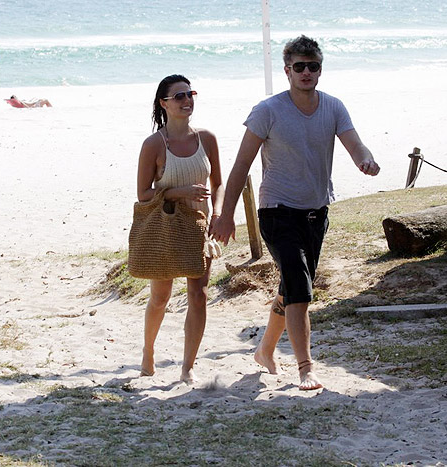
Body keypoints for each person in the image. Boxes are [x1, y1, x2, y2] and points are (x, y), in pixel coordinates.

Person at [212, 35, 380, 392]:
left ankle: (265, 350)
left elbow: (354, 142)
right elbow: (241, 164)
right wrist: (227, 215)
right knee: (302, 292)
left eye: (313, 66)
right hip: (276, 212)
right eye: (299, 67)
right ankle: (305, 367)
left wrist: (365, 159)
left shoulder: (333, 107)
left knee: (291, 288)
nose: (306, 72)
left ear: (320, 69)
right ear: (287, 70)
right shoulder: (268, 110)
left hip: (316, 214)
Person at [137, 74, 225, 384]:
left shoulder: (207, 138)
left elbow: (218, 184)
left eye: (190, 94)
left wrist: (219, 214)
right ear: (164, 103)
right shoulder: (153, 144)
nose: (187, 100)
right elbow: (143, 194)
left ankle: (188, 366)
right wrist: (179, 192)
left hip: (200, 228)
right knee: (160, 297)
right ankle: (148, 352)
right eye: (179, 96)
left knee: (198, 295)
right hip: (167, 228)